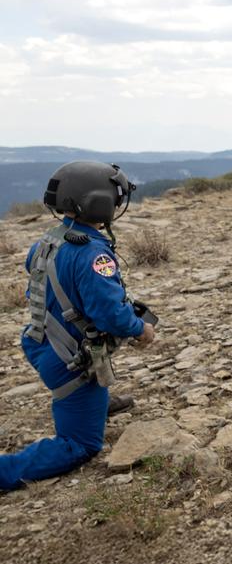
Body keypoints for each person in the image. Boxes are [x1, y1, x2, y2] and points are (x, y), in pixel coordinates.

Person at [0, 161, 157, 492]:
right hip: (66, 359)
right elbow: (109, 315)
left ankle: (94, 403)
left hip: (39, 341)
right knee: (80, 445)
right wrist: (140, 328)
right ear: (98, 202)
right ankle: (6, 471)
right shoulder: (93, 254)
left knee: (86, 390)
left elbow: (44, 293)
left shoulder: (46, 242)